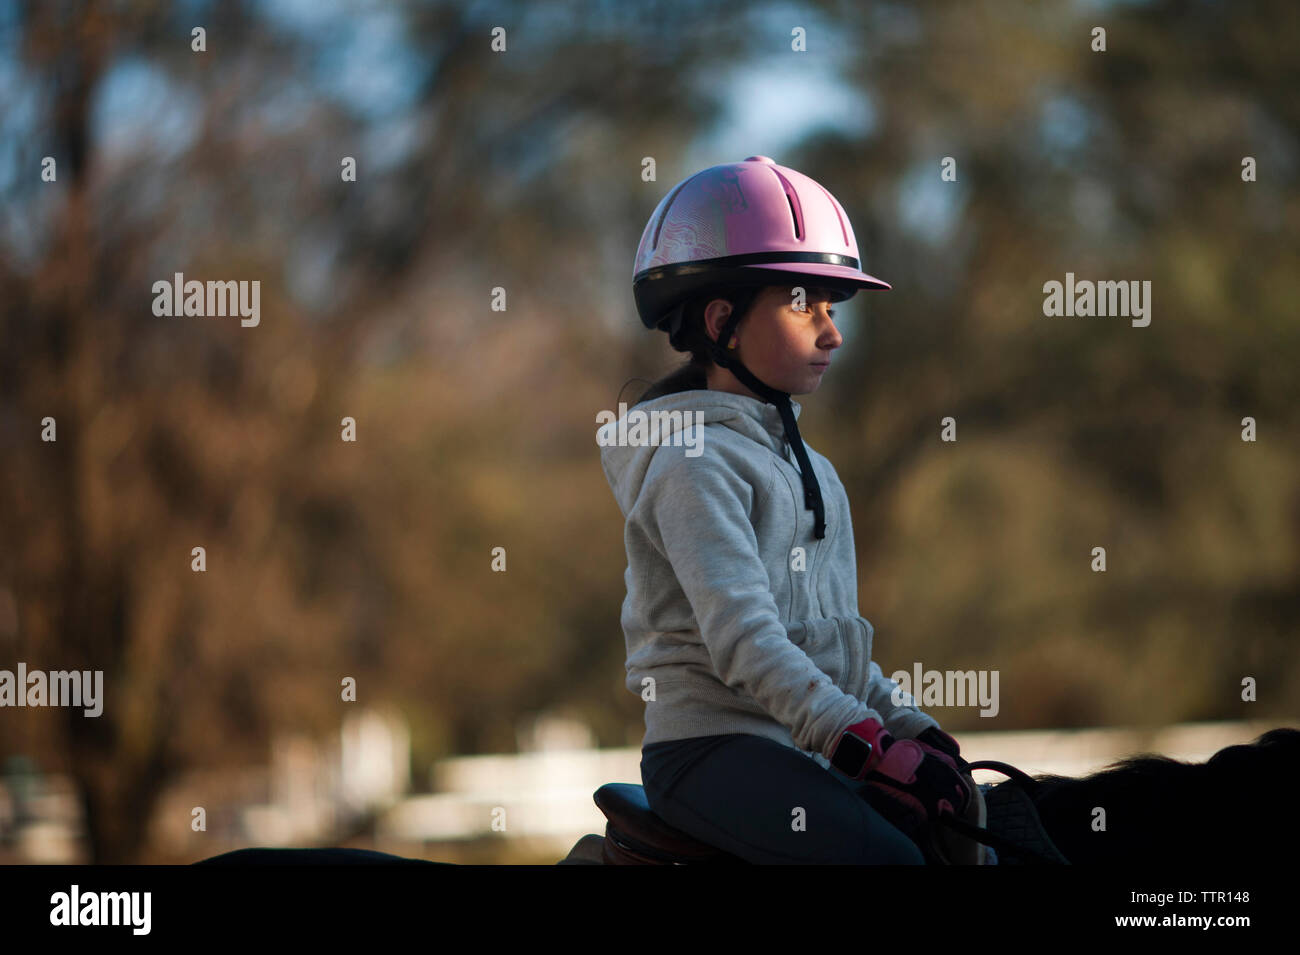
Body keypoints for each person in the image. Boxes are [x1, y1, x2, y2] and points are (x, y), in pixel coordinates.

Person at [598, 156, 989, 864]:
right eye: (806, 303)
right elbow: (747, 640)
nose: (832, 333)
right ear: (723, 323)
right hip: (711, 752)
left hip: (796, 742)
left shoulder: (816, 471)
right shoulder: (693, 463)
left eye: (834, 310)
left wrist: (913, 729)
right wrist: (866, 743)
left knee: (968, 837)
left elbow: (836, 646)